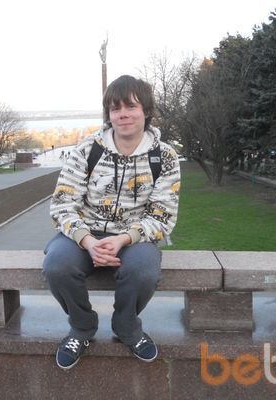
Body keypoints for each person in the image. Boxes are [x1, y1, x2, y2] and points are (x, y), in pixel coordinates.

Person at [43, 75, 181, 370]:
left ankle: (127, 327)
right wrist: (88, 241)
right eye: (115, 108)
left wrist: (123, 239)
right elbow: (63, 203)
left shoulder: (164, 156)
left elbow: (162, 215)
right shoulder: (87, 150)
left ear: (146, 111)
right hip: (84, 232)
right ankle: (81, 327)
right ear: (109, 113)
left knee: (143, 271)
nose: (123, 114)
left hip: (134, 236)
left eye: (131, 107)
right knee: (57, 265)